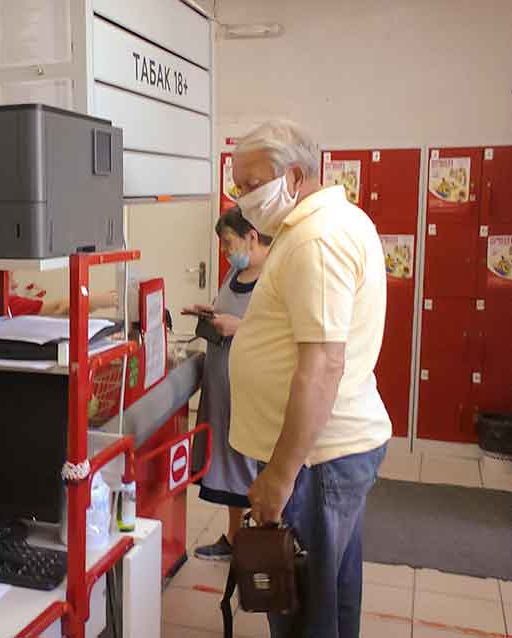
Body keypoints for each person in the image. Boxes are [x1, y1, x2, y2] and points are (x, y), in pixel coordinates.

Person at [228, 120, 391, 638]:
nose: (242, 199)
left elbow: (322, 365)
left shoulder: (315, 240)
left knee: (302, 614)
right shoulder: (330, 224)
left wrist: (279, 475)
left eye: (251, 185)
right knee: (330, 601)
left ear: (293, 176)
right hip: (325, 455)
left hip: (313, 462)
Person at [185, 207, 271, 561]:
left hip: (252, 386)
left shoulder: (274, 277)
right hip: (222, 382)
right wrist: (212, 315)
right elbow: (230, 311)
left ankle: (262, 543)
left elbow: (286, 334)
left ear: (252, 235)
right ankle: (235, 538)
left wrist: (240, 328)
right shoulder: (235, 271)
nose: (225, 252)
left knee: (252, 461)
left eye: (229, 243)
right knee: (227, 457)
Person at [0, 270, 117, 316]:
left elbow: (66, 311)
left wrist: (95, 304)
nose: (16, 284)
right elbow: (59, 308)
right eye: (11, 277)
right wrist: (104, 300)